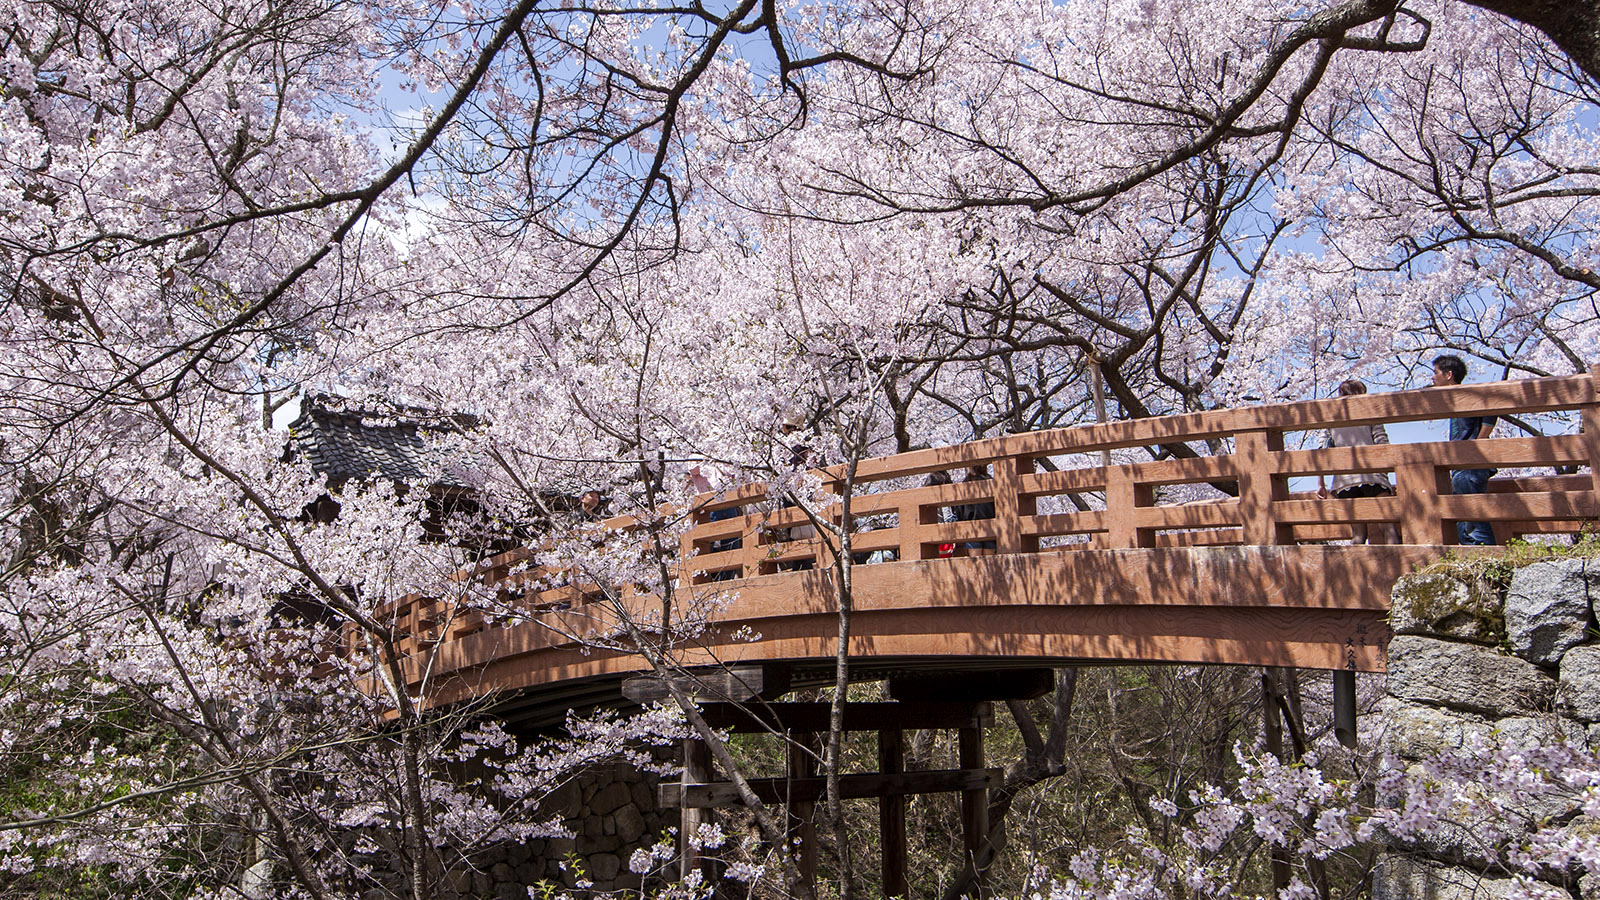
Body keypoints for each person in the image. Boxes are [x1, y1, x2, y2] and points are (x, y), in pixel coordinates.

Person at [1318, 380, 1398, 545]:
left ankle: (1357, 569)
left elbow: (1323, 451)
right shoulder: (1370, 414)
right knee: (1388, 528)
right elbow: (1382, 443)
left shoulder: (1331, 421)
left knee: (1358, 534)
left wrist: (1321, 483)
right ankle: (1399, 568)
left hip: (1345, 481)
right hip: (1373, 477)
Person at [1432, 354, 1498, 545]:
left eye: (1436, 373)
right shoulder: (1455, 400)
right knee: (1465, 515)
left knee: (1472, 516)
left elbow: (1493, 409)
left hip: (1470, 465)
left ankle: (1485, 557)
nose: (1433, 377)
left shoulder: (1468, 395)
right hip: (1461, 466)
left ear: (1449, 375)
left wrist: (1477, 443)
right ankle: (1477, 557)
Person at [953, 465, 997, 555]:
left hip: (972, 526)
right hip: (990, 525)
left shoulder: (966, 482)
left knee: (976, 563)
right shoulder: (991, 481)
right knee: (990, 563)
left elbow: (959, 508)